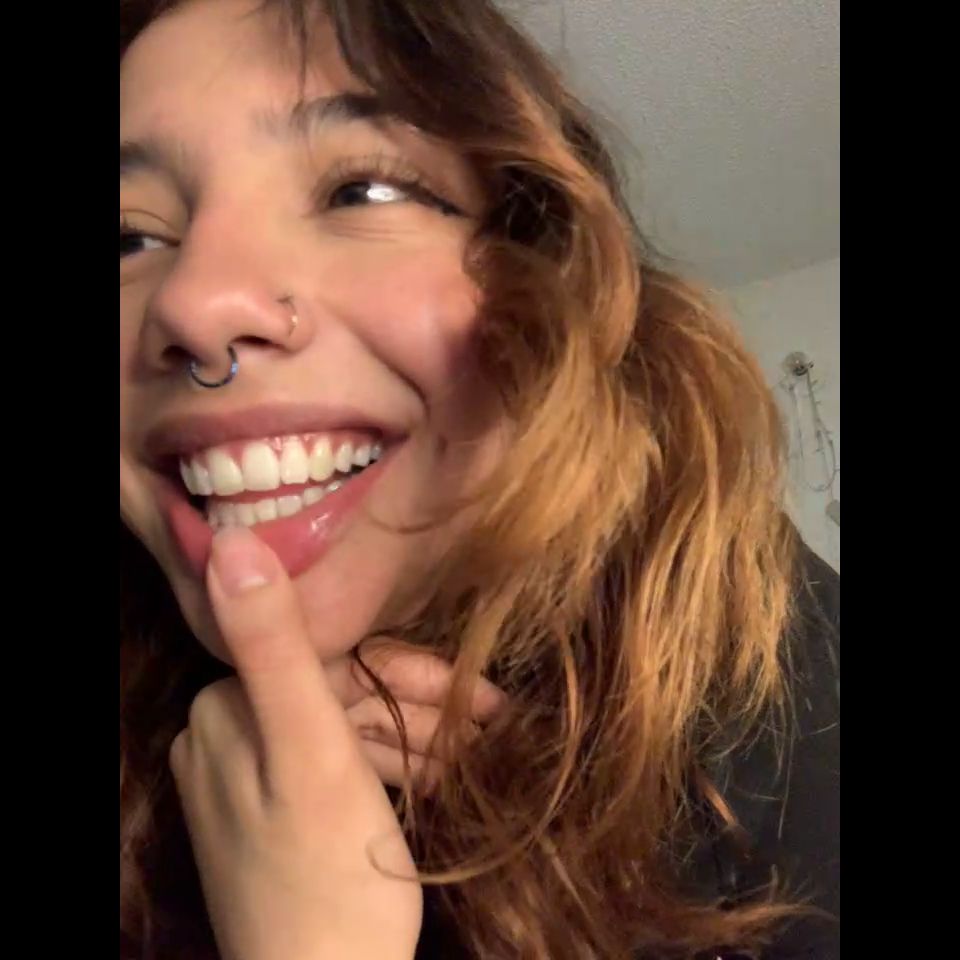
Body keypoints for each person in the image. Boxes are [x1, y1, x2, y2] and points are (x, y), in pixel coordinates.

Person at [119, 1, 840, 957]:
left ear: (551, 280)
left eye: (361, 191)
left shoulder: (784, 686)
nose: (194, 304)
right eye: (128, 240)